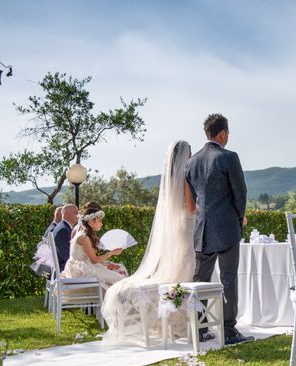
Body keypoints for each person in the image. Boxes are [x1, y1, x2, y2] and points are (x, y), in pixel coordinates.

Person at [101, 140, 197, 344]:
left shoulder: (168, 180)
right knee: (184, 274)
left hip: (175, 230)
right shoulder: (186, 177)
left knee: (175, 272)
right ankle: (179, 320)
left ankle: (167, 319)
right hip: (187, 228)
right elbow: (190, 208)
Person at [186, 113, 253, 345]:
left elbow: (193, 200)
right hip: (226, 229)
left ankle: (200, 328)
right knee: (228, 279)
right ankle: (229, 330)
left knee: (201, 280)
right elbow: (240, 194)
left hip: (202, 230)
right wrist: (239, 217)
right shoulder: (229, 157)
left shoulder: (191, 162)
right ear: (222, 133)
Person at [62, 202, 126, 290]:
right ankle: (118, 301)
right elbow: (94, 260)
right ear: (91, 221)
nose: (102, 224)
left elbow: (92, 259)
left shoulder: (86, 235)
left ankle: (115, 300)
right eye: (100, 221)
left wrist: (106, 265)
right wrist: (112, 253)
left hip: (85, 266)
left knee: (119, 272)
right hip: (80, 271)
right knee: (121, 279)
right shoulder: (84, 237)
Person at [52, 204, 78, 273]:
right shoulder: (63, 230)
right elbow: (67, 256)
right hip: (65, 269)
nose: (78, 215)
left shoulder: (65, 227)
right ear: (66, 214)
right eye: (76, 212)